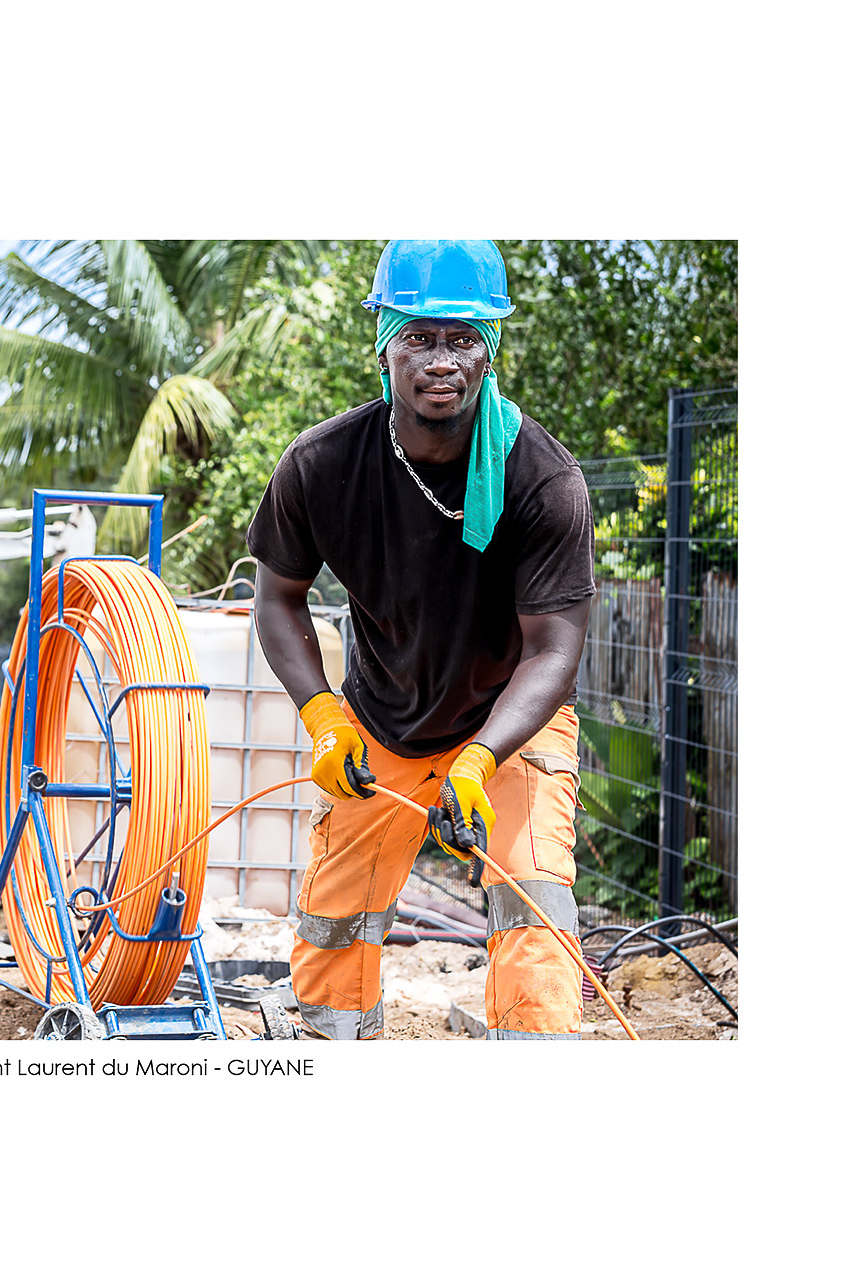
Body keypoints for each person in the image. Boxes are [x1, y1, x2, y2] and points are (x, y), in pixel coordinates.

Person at [247, 239, 595, 1040]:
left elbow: (552, 650)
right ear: (383, 344)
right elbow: (277, 598)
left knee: (533, 898)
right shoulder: (321, 464)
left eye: (463, 338)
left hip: (513, 724)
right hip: (381, 719)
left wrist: (480, 758)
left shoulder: (540, 479)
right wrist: (323, 718)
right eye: (420, 337)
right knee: (339, 912)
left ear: (490, 349)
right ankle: (331, 1048)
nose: (442, 358)